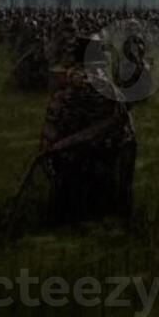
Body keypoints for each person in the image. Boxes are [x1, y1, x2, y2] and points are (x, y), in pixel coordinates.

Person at [35, 31, 137, 225]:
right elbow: (126, 127)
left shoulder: (65, 91)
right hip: (104, 155)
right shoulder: (109, 89)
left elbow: (49, 131)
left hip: (71, 158)